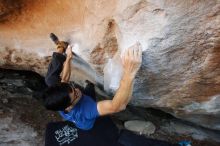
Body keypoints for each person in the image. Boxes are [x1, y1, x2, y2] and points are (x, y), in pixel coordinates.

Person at [43, 33, 142, 130]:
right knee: (90, 91)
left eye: (73, 87)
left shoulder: (61, 96)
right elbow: (117, 106)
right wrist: (129, 72)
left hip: (76, 103)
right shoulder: (86, 110)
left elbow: (64, 79)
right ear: (68, 107)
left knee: (50, 79)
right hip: (86, 125)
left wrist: (68, 58)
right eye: (76, 95)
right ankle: (90, 91)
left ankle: (60, 47)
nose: (77, 90)